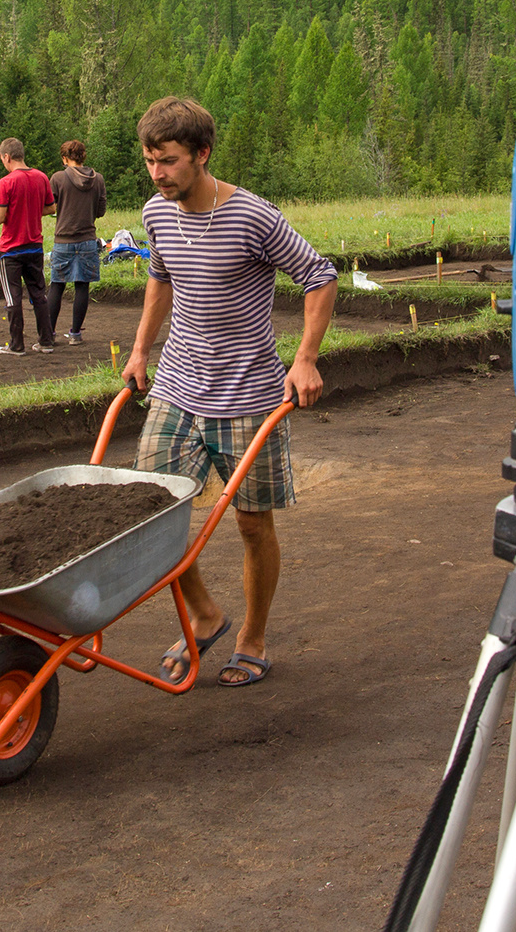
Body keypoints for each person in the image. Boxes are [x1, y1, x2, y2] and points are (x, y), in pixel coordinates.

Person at [119, 96, 338, 690]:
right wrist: (141, 351)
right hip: (177, 386)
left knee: (250, 525)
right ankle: (205, 614)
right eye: (148, 162)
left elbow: (319, 277)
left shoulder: (254, 217)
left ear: (202, 154)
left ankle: (253, 636)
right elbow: (160, 279)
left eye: (167, 161)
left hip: (247, 396)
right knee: (148, 513)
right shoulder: (156, 213)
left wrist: (306, 360)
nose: (157, 173)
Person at [0, 137, 56, 356]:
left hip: (10, 249)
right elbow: (50, 207)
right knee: (39, 294)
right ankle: (46, 341)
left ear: (7, 157)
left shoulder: (6, 183)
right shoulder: (41, 177)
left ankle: (16, 345)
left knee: (13, 297)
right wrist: (30, 209)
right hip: (35, 246)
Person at [47, 139, 107, 344]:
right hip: (88, 239)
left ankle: (49, 334)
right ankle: (75, 335)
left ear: (65, 158)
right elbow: (101, 211)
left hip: (63, 240)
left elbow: (49, 207)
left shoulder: (57, 178)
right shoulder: (98, 179)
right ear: (83, 157)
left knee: (57, 285)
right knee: (82, 286)